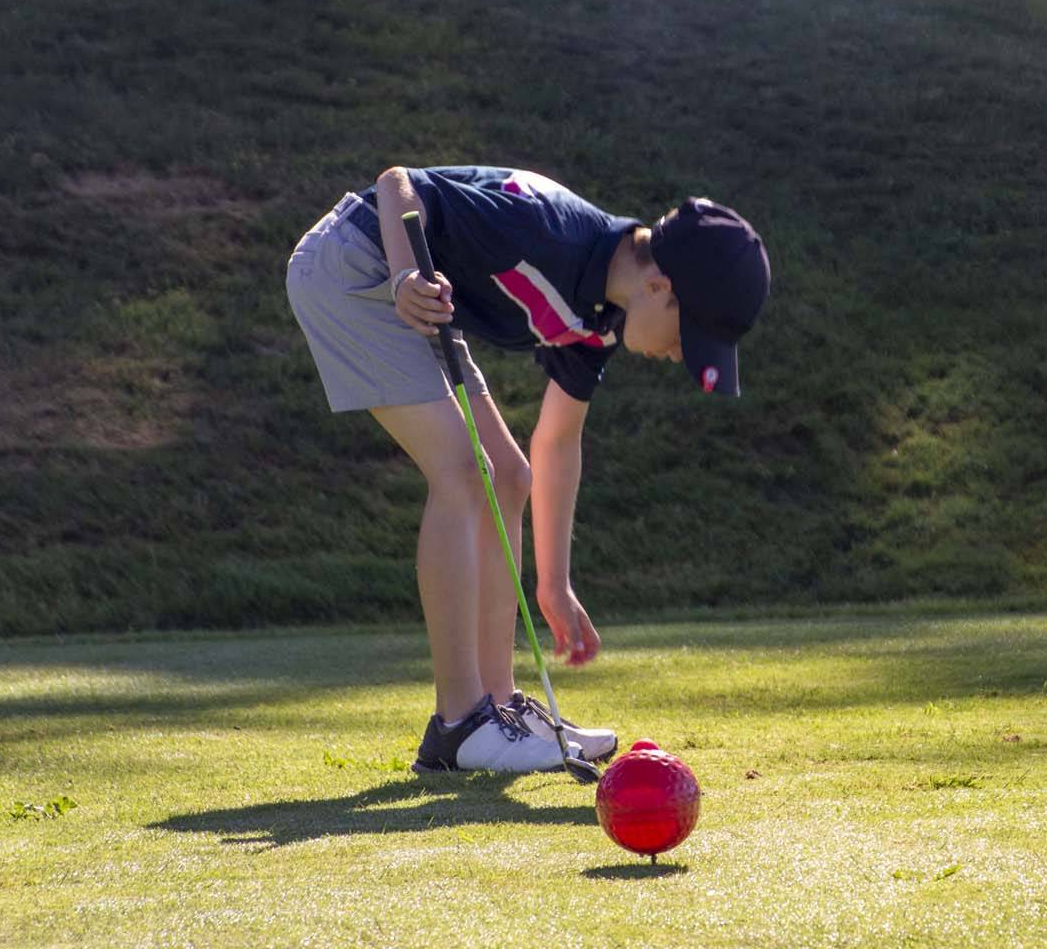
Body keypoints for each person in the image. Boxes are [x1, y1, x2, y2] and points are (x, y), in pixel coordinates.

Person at [285, 166, 770, 773]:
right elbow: (396, 185)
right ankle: (459, 724)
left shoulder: (598, 319)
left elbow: (557, 442)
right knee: (465, 473)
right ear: (658, 285)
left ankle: (499, 708)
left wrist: (555, 585)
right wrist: (408, 275)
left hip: (412, 296)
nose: (679, 355)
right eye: (687, 336)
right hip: (353, 266)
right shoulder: (546, 233)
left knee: (508, 478)